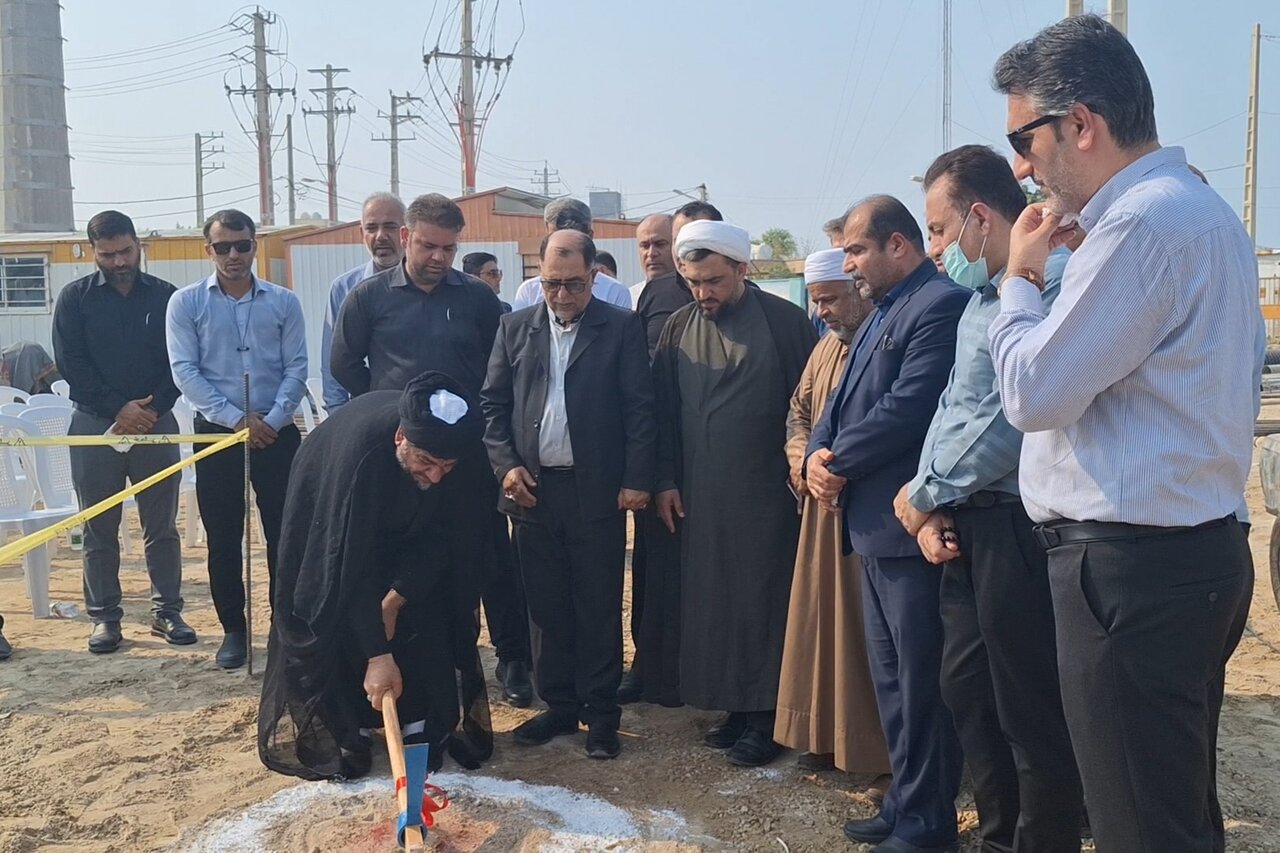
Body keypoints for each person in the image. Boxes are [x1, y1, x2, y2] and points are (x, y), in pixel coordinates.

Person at [990, 16, 1261, 852]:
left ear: (1081, 124)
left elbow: (1033, 391)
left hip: (1131, 571)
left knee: (1141, 826)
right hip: (1187, 553)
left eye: (1024, 139)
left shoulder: (1140, 225)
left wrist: (1021, 280)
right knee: (1170, 811)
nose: (1020, 167)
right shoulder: (1196, 213)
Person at [895, 145, 1081, 852]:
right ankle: (1000, 836)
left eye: (939, 230)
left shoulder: (1051, 287)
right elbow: (951, 408)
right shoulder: (981, 300)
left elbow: (1011, 422)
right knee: (969, 693)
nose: (936, 248)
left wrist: (925, 492)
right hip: (963, 523)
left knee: (1028, 710)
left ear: (979, 216)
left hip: (1017, 523)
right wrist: (929, 499)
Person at [806, 195, 969, 853]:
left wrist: (837, 460)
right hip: (873, 528)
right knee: (893, 685)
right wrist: (819, 450)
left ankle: (929, 823)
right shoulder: (883, 310)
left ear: (897, 246)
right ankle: (905, 802)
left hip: (911, 528)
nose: (849, 264)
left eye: (856, 251)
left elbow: (910, 407)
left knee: (922, 683)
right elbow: (843, 397)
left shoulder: (939, 305)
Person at [330, 193, 532, 708]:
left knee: (487, 556)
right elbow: (345, 366)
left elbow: (498, 370)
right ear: (405, 239)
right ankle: (439, 662)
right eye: (427, 245)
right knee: (416, 562)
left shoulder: (478, 300)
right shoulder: (368, 298)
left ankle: (513, 660)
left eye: (448, 247)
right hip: (404, 459)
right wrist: (393, 413)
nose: (438, 257)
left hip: (470, 456)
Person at [258, 371, 494, 780]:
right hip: (337, 526)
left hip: (414, 532)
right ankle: (352, 728)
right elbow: (349, 564)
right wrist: (377, 654)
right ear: (402, 438)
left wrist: (398, 595)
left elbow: (448, 538)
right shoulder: (361, 459)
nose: (436, 476)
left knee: (428, 602)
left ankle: (421, 720)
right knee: (341, 615)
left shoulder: (461, 458)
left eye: (446, 466)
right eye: (426, 462)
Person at [482, 230, 656, 759]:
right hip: (532, 492)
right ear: (538, 277)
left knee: (597, 604)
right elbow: (492, 406)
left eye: (574, 285)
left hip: (596, 491)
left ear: (594, 277)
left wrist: (636, 478)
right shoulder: (514, 328)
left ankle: (601, 713)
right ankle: (557, 705)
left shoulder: (621, 328)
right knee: (546, 607)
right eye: (552, 284)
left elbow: (640, 410)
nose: (562, 296)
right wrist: (506, 466)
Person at [653, 220, 817, 766]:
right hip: (699, 494)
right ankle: (733, 705)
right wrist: (666, 481)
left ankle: (768, 717)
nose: (704, 294)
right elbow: (660, 413)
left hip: (767, 498)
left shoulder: (786, 323)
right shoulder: (678, 326)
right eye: (694, 283)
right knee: (714, 603)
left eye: (715, 281)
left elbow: (810, 406)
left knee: (761, 601)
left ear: (742, 270)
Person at [166, 208, 308, 670]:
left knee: (286, 536)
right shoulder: (186, 304)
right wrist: (234, 420)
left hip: (277, 432)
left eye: (241, 245)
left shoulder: (284, 302)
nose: (233, 255)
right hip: (218, 435)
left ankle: (286, 627)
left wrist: (274, 417)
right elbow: (185, 370)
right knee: (224, 538)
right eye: (222, 246)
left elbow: (297, 366)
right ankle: (234, 630)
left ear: (254, 245)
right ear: (208, 250)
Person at [52, 210, 192, 655]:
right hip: (95, 425)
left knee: (162, 525)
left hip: (156, 423)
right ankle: (105, 619)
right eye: (107, 254)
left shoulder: (168, 298)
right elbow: (71, 363)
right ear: (93, 251)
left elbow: (181, 362)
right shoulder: (74, 300)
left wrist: (150, 410)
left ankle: (167, 610)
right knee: (99, 527)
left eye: (125, 251)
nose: (118, 262)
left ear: (139, 245)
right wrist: (118, 408)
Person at [774, 248, 890, 786]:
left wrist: (836, 468)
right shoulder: (824, 348)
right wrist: (802, 460)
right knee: (819, 626)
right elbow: (799, 411)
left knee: (863, 638)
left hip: (865, 509)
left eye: (831, 300)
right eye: (817, 301)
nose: (822, 311)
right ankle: (821, 736)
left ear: (859, 292)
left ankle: (868, 747)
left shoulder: (888, 340)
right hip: (819, 509)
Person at [320, 193, 405, 414]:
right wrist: (337, 415)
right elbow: (333, 361)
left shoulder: (429, 285)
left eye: (390, 227)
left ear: (407, 232)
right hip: (362, 414)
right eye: (371, 228)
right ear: (361, 234)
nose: (381, 236)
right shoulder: (344, 288)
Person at [511, 198, 632, 310]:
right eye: (557, 239)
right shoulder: (529, 292)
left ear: (590, 237)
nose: (562, 296)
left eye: (576, 285)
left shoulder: (614, 292)